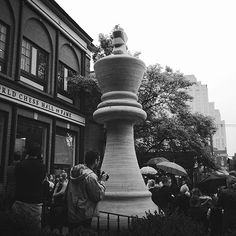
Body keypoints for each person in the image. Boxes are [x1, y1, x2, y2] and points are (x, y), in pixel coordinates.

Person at [67, 151, 108, 231]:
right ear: (96, 161)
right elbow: (97, 196)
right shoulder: (91, 176)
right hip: (84, 213)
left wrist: (97, 181)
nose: (99, 162)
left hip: (71, 211)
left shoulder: (74, 171)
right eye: (99, 160)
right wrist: (102, 182)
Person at [12, 144, 46, 230]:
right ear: (38, 154)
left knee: (17, 229)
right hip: (34, 203)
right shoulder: (42, 167)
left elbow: (16, 180)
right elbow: (42, 182)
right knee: (34, 230)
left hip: (19, 200)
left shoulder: (20, 165)